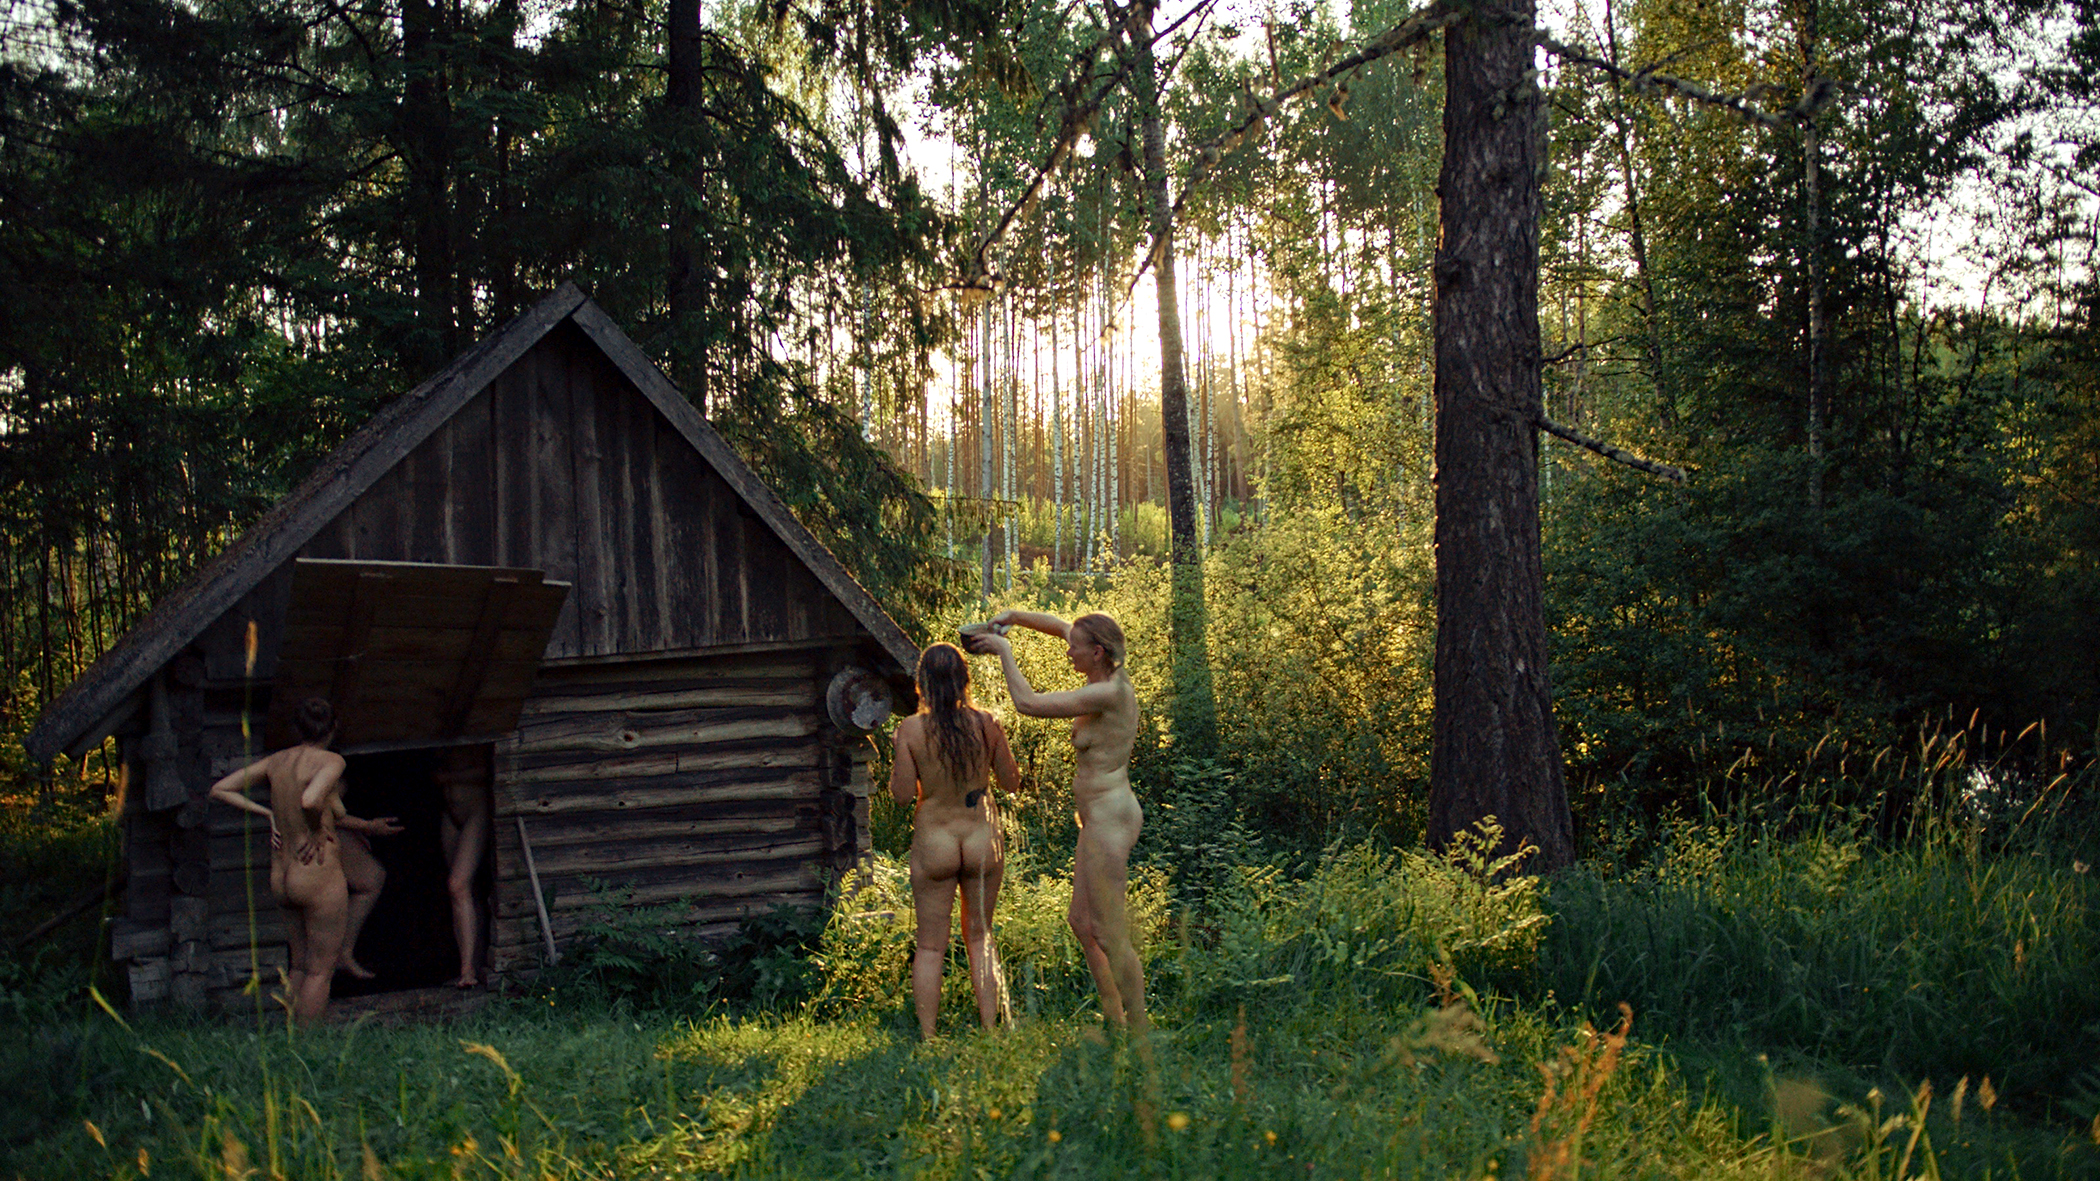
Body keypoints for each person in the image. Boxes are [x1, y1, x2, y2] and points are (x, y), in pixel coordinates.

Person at [968, 610, 1147, 1036]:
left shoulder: (1108, 693)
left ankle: (1141, 1031)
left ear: (1097, 652)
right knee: (1082, 923)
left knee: (1108, 930)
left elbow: (1028, 704)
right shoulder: (1098, 666)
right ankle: (1116, 1022)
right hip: (1094, 817)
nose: (1068, 649)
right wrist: (1015, 617)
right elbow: (1060, 625)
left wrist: (1004, 651)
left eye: (1075, 647)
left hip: (1112, 815)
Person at [890, 642, 1020, 1039]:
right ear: (965, 679)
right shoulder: (987, 723)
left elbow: (900, 796)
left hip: (936, 841)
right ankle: (990, 1030)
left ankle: (929, 1037)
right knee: (980, 936)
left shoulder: (910, 730)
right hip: (981, 836)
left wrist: (901, 751)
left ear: (922, 684)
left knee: (931, 947)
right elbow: (1012, 782)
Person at [207, 696, 349, 1025]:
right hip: (316, 873)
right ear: (333, 728)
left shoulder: (277, 761)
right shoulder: (331, 761)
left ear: (297, 728)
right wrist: (315, 830)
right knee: (319, 970)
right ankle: (306, 1050)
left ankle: (287, 1043)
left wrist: (268, 812)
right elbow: (311, 799)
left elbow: (221, 788)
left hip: (283, 873)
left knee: (299, 964)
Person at [434, 746, 491, 988]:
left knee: (457, 885)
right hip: (451, 812)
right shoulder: (439, 726)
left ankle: (468, 971)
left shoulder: (476, 721)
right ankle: (469, 967)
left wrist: (448, 778)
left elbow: (487, 770)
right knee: (464, 891)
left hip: (475, 811)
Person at [333, 794, 403, 980]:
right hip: (314, 832)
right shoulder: (326, 766)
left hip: (333, 825)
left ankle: (342, 954)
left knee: (371, 877)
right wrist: (366, 825)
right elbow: (314, 806)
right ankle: (332, 959)